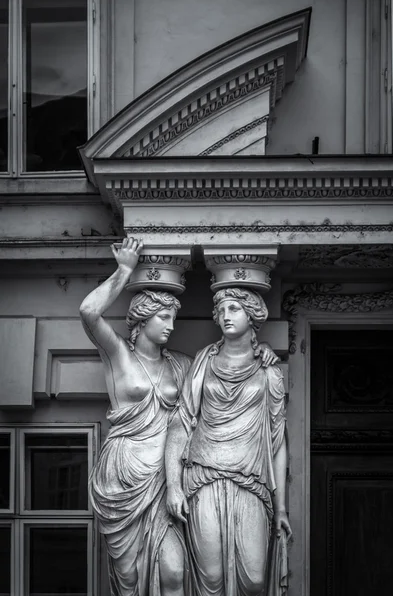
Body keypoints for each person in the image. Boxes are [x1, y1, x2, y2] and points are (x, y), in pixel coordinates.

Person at [80, 239, 279, 596]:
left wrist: (257, 351)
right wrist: (124, 270)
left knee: (174, 571)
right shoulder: (118, 357)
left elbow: (218, 372)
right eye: (165, 317)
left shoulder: (184, 364)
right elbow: (89, 313)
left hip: (167, 477)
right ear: (142, 319)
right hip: (125, 474)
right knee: (130, 580)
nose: (172, 325)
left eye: (173, 317)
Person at [165, 287, 292, 596]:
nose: (225, 316)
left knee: (254, 581)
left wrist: (281, 509)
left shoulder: (270, 372)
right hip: (204, 477)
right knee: (210, 578)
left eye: (234, 309)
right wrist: (173, 485)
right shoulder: (203, 362)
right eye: (221, 310)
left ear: (252, 315)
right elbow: (181, 424)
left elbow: (277, 442)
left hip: (251, 481)